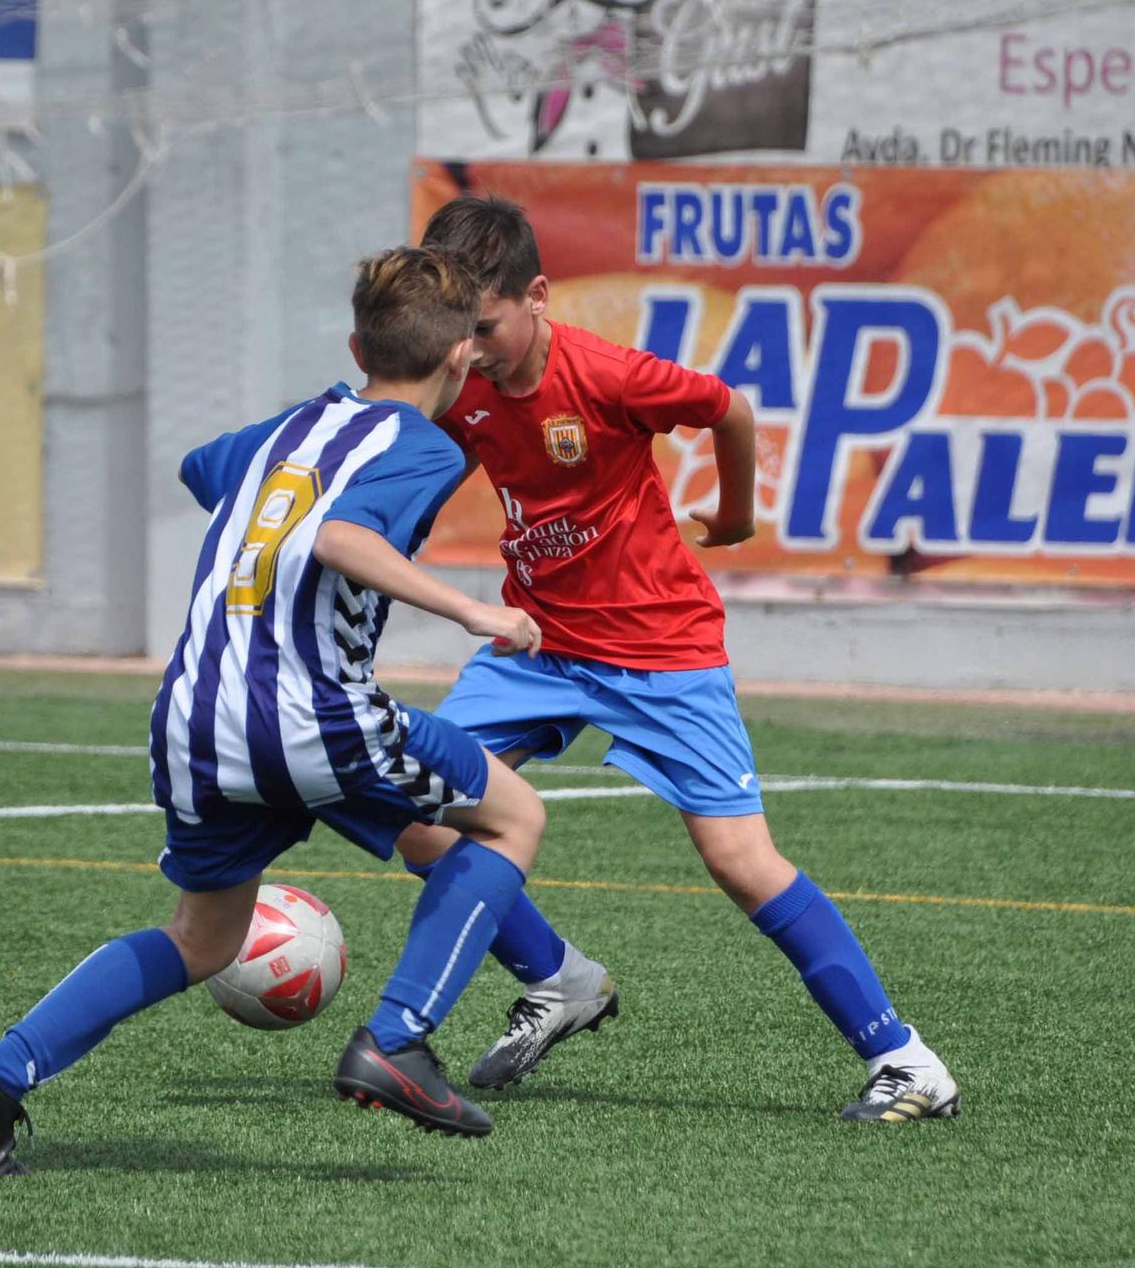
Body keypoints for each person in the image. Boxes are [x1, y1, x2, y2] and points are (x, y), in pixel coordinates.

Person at [0, 246, 550, 1172]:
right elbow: (340, 536)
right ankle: (399, 1040)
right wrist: (472, 610)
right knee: (513, 816)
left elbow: (200, 466)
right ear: (462, 359)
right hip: (310, 715)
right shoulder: (425, 446)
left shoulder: (291, 427)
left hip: (194, 718)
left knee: (205, 937)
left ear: (355, 345)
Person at [400, 195, 959, 1122]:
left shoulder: (610, 374)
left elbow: (729, 408)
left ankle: (906, 1062)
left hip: (659, 645)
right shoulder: (463, 385)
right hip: (539, 645)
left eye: (486, 327)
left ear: (537, 297)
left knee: (740, 859)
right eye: (458, 331)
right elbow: (438, 464)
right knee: (417, 807)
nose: (471, 349)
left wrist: (735, 516)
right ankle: (560, 980)